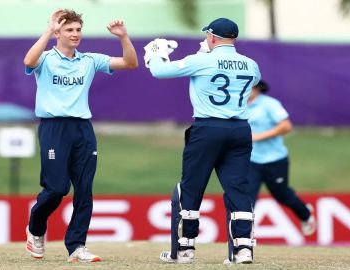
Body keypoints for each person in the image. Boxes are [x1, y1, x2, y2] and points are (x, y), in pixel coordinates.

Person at [23, 9, 138, 262]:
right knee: (56, 189)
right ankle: (35, 229)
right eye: (69, 30)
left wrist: (123, 37)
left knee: (84, 190)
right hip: (54, 128)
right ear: (58, 33)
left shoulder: (89, 60)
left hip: (83, 129)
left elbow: (130, 63)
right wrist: (48, 31)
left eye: (78, 30)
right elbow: (29, 61)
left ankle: (77, 247)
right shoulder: (46, 58)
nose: (75, 34)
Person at [144, 18, 261, 264]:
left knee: (192, 186)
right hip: (240, 129)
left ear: (212, 37)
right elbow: (240, 79)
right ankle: (243, 250)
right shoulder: (251, 64)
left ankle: (185, 249)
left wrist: (156, 53)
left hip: (208, 127)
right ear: (234, 39)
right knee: (238, 188)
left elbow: (159, 71)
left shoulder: (201, 60)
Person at [247, 80, 316, 236]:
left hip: (275, 160)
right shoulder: (237, 105)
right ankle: (244, 235)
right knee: (246, 198)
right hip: (250, 161)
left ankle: (306, 214)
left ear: (257, 89)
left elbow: (286, 126)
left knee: (283, 195)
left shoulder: (270, 104)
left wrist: (259, 136)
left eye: (249, 86)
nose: (245, 89)